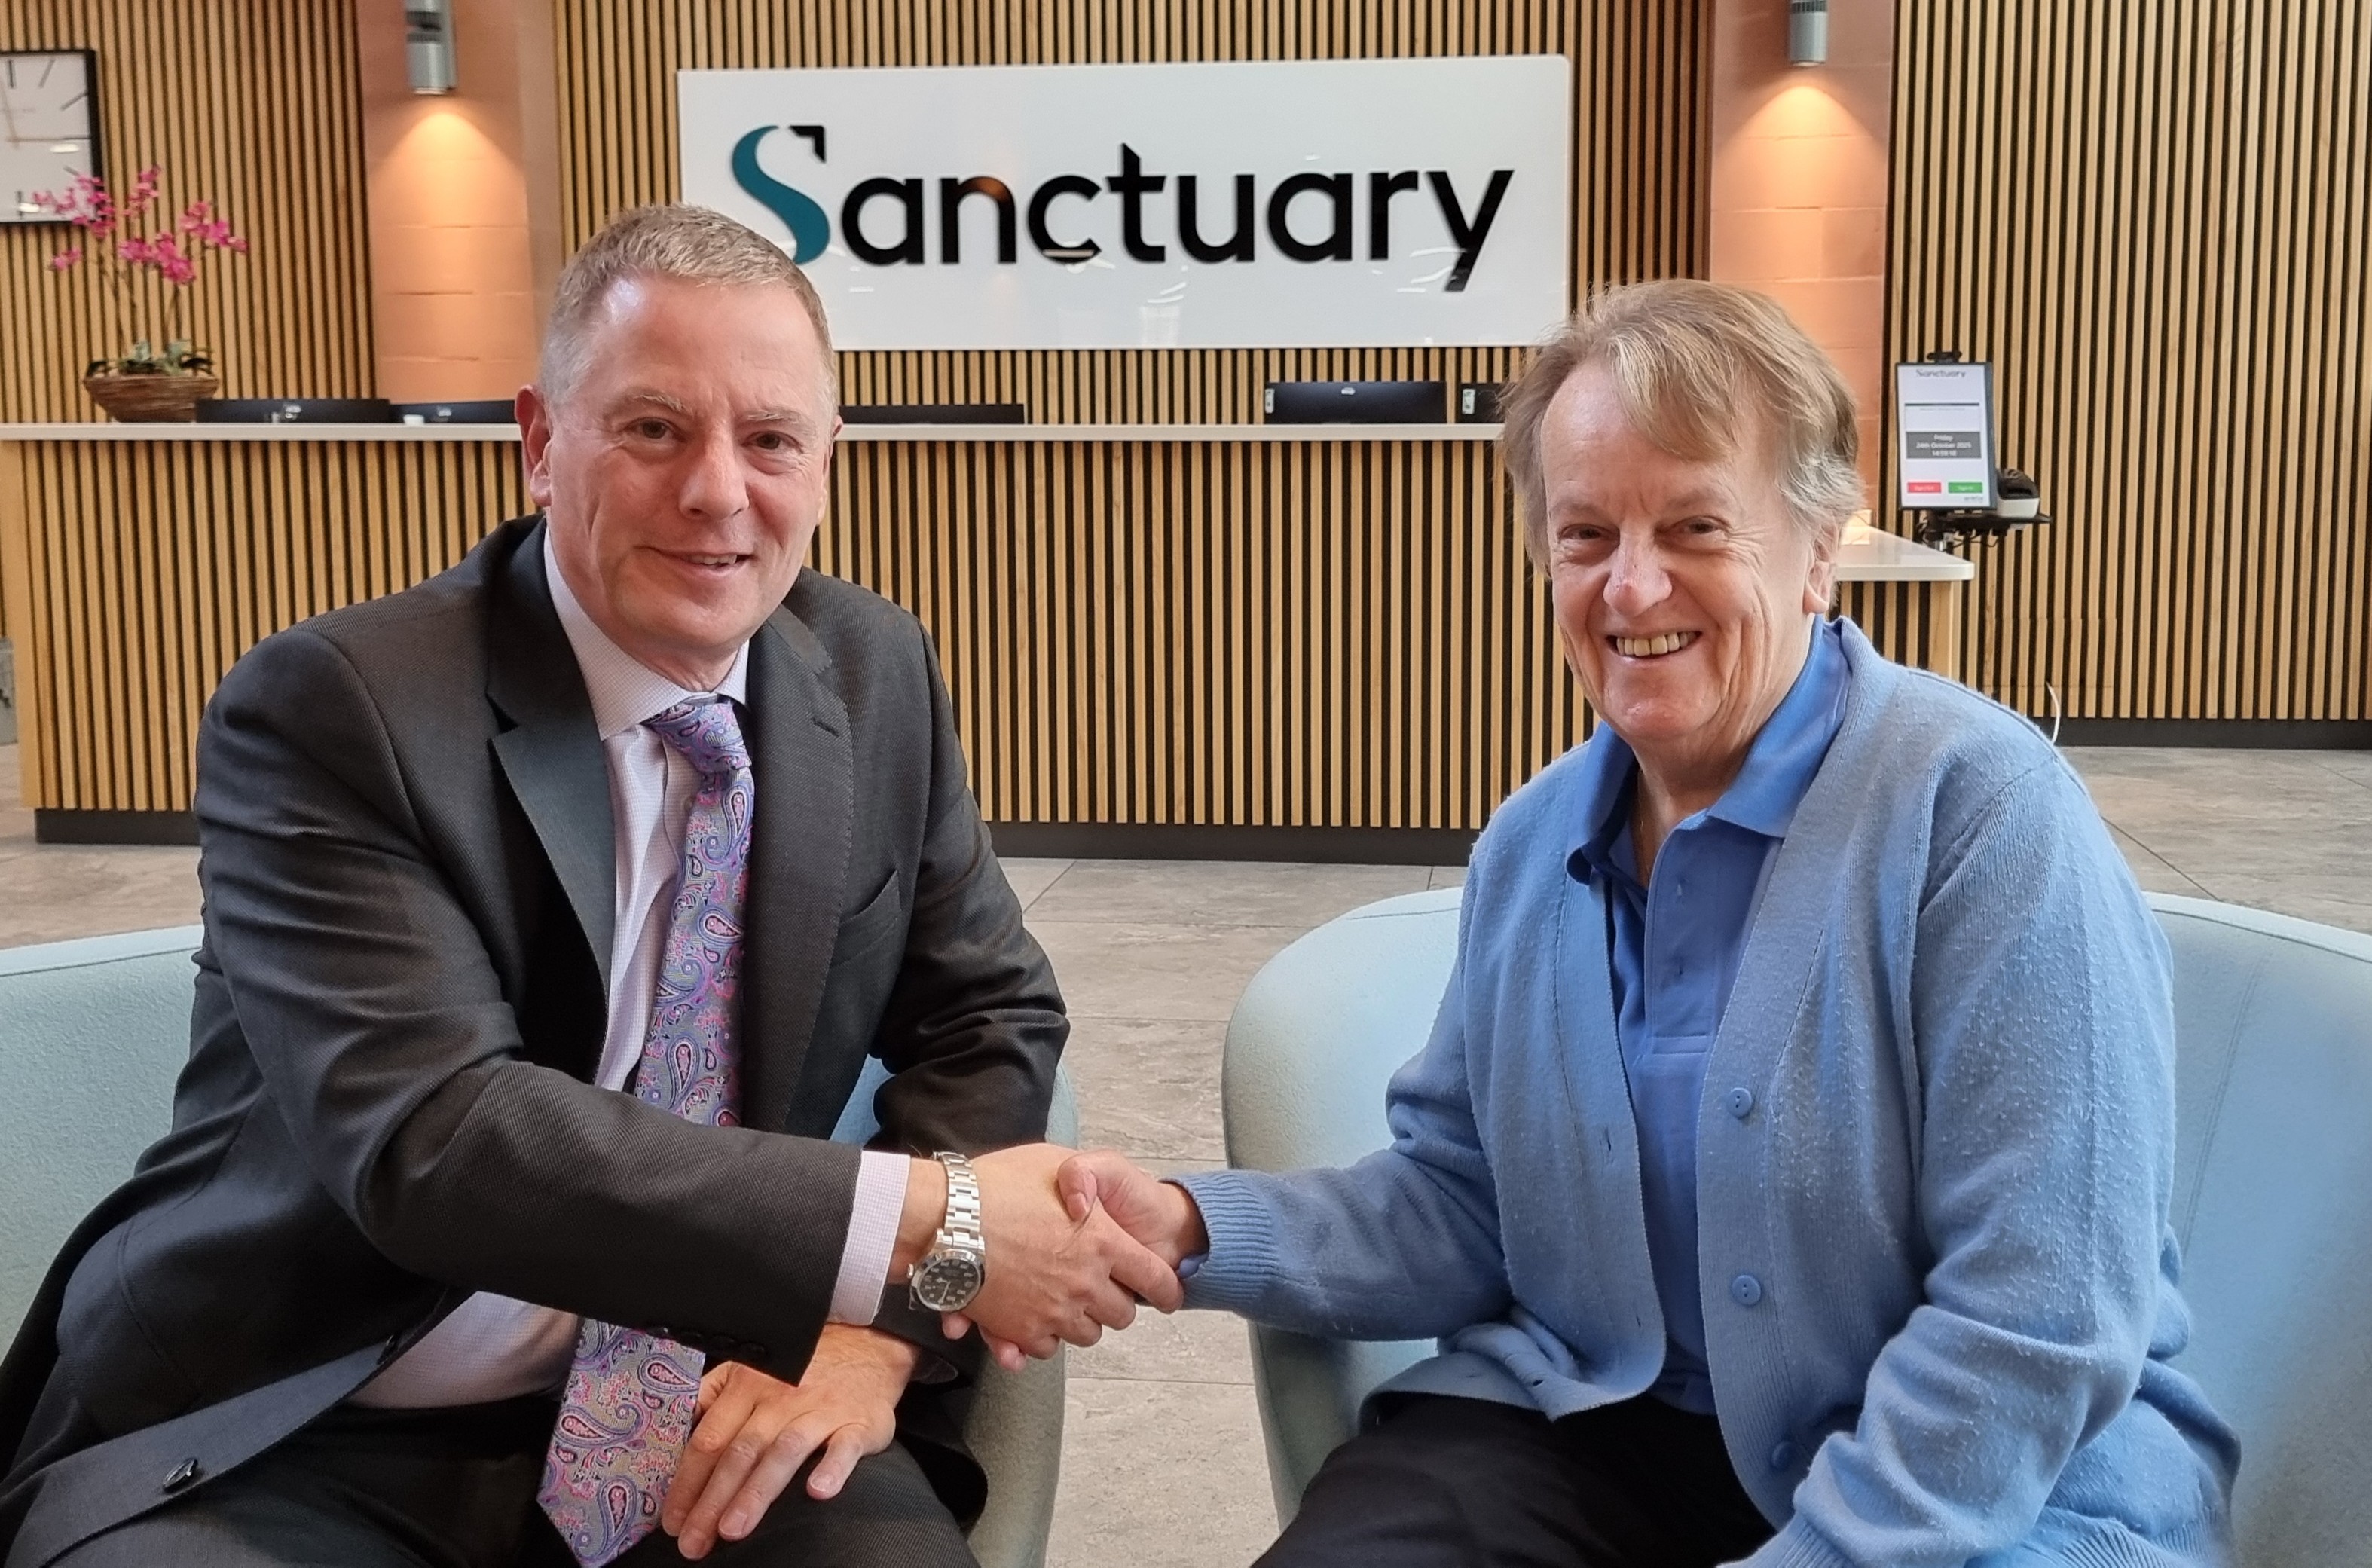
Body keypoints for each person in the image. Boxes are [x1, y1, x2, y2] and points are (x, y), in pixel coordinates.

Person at [0, 203, 1178, 1568]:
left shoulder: (871, 671)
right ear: (541, 440)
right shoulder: (340, 708)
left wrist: (874, 1329)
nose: (720, 492)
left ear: (830, 463)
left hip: (710, 1393)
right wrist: (928, 1226)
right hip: (309, 1424)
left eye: (773, 439)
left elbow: (990, 1015)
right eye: (656, 428)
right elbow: (440, 1140)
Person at [1061, 280, 2241, 1567]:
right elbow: (1466, 1208)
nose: (1631, 585)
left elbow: (2041, 1310)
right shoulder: (1531, 843)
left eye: (1695, 525)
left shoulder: (1984, 814)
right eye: (1584, 535)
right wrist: (1191, 1223)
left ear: (1819, 548)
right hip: (1600, 1427)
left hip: (1984, 1478)